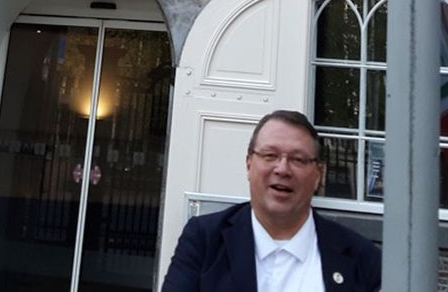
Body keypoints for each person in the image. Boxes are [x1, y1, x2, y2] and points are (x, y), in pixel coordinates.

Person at [162, 110, 382, 291]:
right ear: (249, 164)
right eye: (270, 155)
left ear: (318, 175)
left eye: (297, 159)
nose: (282, 169)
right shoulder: (204, 240)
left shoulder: (361, 257)